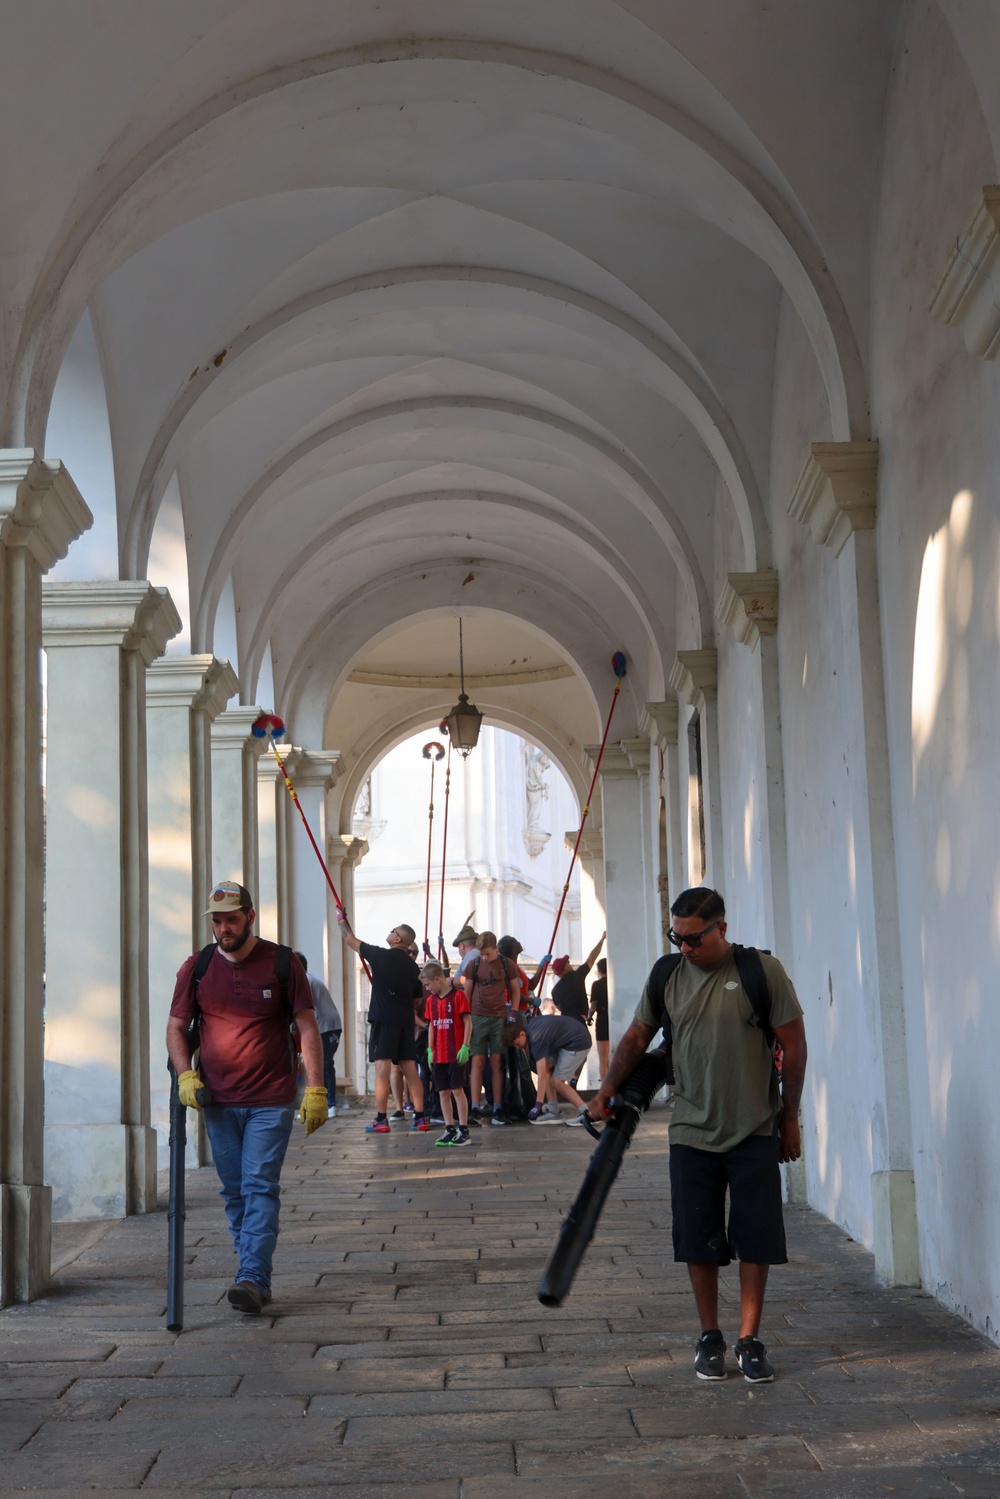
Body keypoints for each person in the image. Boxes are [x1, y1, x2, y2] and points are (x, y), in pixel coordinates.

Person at [587, 887, 807, 1385]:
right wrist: (606, 1091)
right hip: (689, 1129)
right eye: (676, 938)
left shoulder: (760, 972)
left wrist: (789, 1117)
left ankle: (750, 1340)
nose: (684, 948)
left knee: (756, 1238)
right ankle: (710, 1336)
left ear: (721, 929)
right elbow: (637, 1037)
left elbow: (794, 1047)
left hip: (753, 1126)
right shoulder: (667, 976)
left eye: (693, 939)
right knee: (697, 1240)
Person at [166, 881, 327, 1315]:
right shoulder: (197, 967)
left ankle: (252, 1276)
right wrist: (185, 1075)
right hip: (216, 1099)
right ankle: (251, 1270)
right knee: (235, 1191)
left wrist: (315, 1087)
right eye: (217, 921)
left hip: (270, 1097)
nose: (223, 928)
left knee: (259, 1186)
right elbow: (176, 1028)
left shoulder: (281, 962)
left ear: (250, 917)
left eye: (231, 919)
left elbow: (307, 1027)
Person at [335, 912, 428, 1133]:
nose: (390, 932)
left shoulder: (380, 956)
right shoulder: (413, 967)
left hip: (384, 1019)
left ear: (398, 939)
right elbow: (417, 998)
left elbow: (350, 940)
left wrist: (341, 919)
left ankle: (381, 1119)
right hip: (404, 1021)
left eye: (393, 930)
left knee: (381, 1067)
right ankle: (421, 1116)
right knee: (409, 1068)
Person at [466, 930, 518, 1126]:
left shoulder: (507, 964)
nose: (485, 957)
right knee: (477, 1061)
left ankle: (498, 1106)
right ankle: (474, 1106)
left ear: (496, 949)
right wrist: (466, 1016)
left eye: (487, 953)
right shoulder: (475, 964)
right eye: (482, 954)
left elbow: (515, 989)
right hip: (478, 1016)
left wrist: (513, 1011)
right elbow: (467, 991)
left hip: (498, 1017)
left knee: (497, 1061)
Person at [503, 1010, 591, 1124]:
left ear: (522, 1034)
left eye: (517, 1044)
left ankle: (587, 1114)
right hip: (569, 1039)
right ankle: (554, 1112)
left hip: (578, 1042)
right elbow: (544, 1072)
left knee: (557, 1082)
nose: (517, 1048)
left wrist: (538, 1105)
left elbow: (542, 1076)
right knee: (548, 1070)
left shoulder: (536, 1038)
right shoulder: (530, 1027)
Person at [422, 962, 472, 1146]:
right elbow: (431, 1027)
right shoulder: (430, 1002)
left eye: (428, 985)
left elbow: (468, 1021)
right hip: (439, 1054)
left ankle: (464, 1129)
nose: (427, 989)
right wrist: (430, 1049)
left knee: (457, 1090)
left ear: (437, 979)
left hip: (455, 1052)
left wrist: (465, 1046)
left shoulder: (459, 996)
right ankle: (449, 1128)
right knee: (442, 1092)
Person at [295, 951, 342, 1117]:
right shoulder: (306, 980)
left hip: (327, 1028)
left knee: (324, 1064)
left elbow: (304, 1009)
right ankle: (314, 1104)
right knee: (314, 1065)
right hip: (321, 1027)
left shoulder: (306, 981)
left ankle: (330, 1104)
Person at [551, 931, 606, 1022]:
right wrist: (602, 939)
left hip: (566, 1023)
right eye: (567, 963)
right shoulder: (577, 976)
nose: (570, 963)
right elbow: (592, 957)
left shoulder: (555, 991)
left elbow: (559, 1007)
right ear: (564, 969)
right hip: (579, 1021)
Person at [497, 935, 546, 1011]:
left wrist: (541, 966)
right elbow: (513, 992)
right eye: (516, 942)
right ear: (512, 949)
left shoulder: (515, 966)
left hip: (521, 1009)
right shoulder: (509, 968)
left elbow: (531, 985)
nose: (519, 943)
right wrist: (531, 1001)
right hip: (514, 1010)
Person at [588, 957, 609, 1082]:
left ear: (600, 970)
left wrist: (589, 1016)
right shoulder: (614, 981)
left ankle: (605, 1087)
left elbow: (593, 1006)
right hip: (615, 1019)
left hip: (602, 1021)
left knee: (603, 1058)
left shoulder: (597, 985)